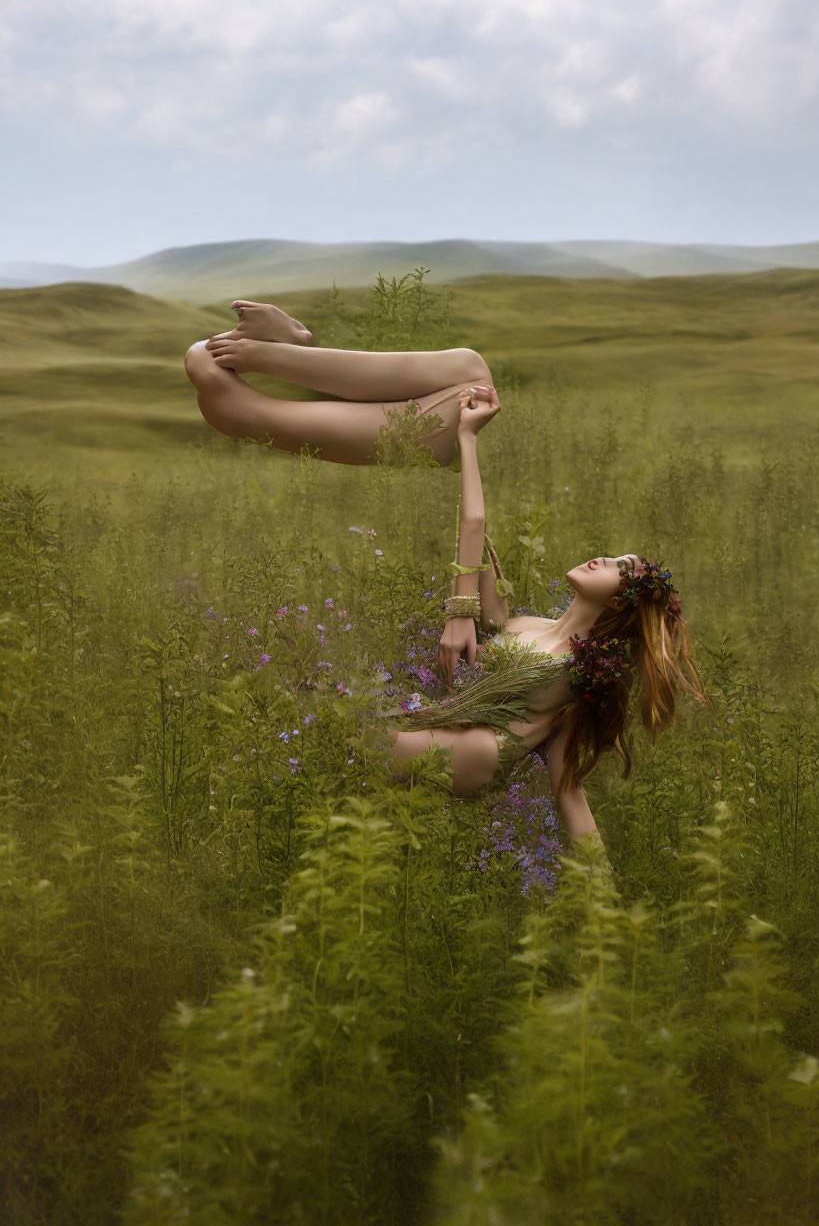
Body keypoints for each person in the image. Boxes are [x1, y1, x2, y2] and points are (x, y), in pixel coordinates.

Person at [380, 389, 705, 850]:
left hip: (481, 752)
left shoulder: (580, 674)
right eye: (614, 556)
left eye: (618, 567)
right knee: (344, 755)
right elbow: (473, 531)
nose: (603, 558)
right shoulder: (524, 624)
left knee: (353, 744)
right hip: (444, 726)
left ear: (619, 603)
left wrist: (597, 893)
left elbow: (569, 791)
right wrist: (462, 443)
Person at [183, 299, 497, 466]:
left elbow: (474, 522)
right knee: (470, 366)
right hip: (443, 431)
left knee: (205, 363)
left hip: (439, 436)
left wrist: (466, 438)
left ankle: (284, 346)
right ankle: (281, 347)